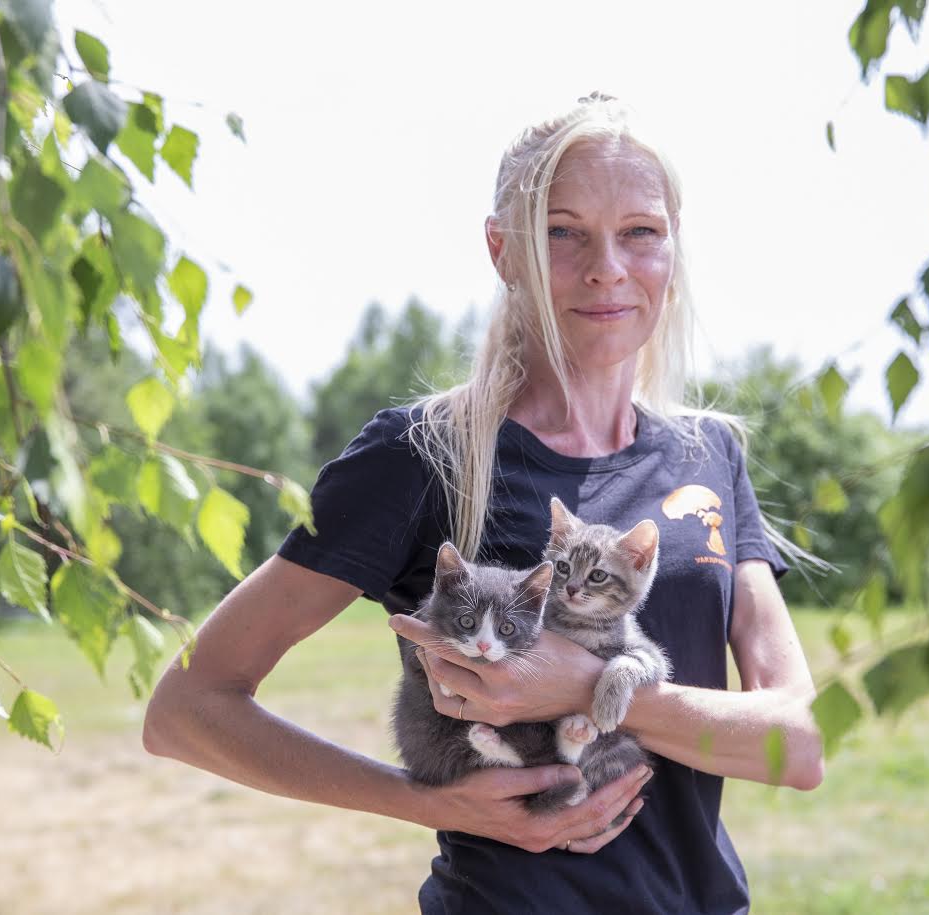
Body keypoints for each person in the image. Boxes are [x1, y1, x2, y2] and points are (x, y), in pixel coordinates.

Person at [142, 92, 824, 914]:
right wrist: (425, 800)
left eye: (640, 231)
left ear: (672, 250)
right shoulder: (421, 456)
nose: (606, 265)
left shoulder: (708, 457)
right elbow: (187, 708)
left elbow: (798, 745)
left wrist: (590, 686)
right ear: (503, 250)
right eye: (562, 232)